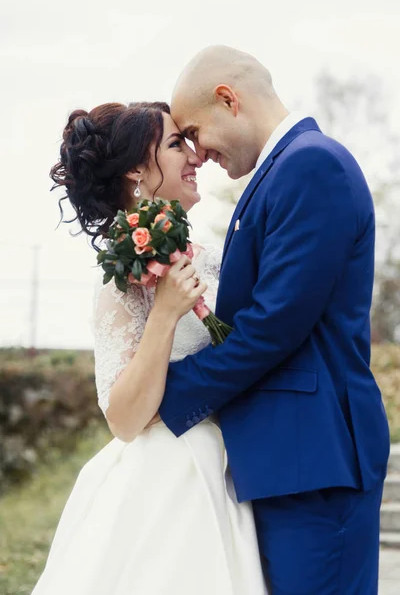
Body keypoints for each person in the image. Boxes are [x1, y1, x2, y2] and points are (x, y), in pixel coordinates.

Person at [157, 46, 391, 594]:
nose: (197, 151)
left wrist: (163, 396)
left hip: (317, 462)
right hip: (291, 461)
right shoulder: (283, 172)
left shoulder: (311, 165)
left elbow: (272, 326)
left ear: (228, 100)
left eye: (194, 131)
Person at [31, 102, 267, 594]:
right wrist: (163, 314)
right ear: (138, 170)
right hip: (167, 479)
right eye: (176, 144)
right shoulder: (119, 282)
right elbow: (123, 420)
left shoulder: (218, 258)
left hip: (233, 465)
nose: (195, 155)